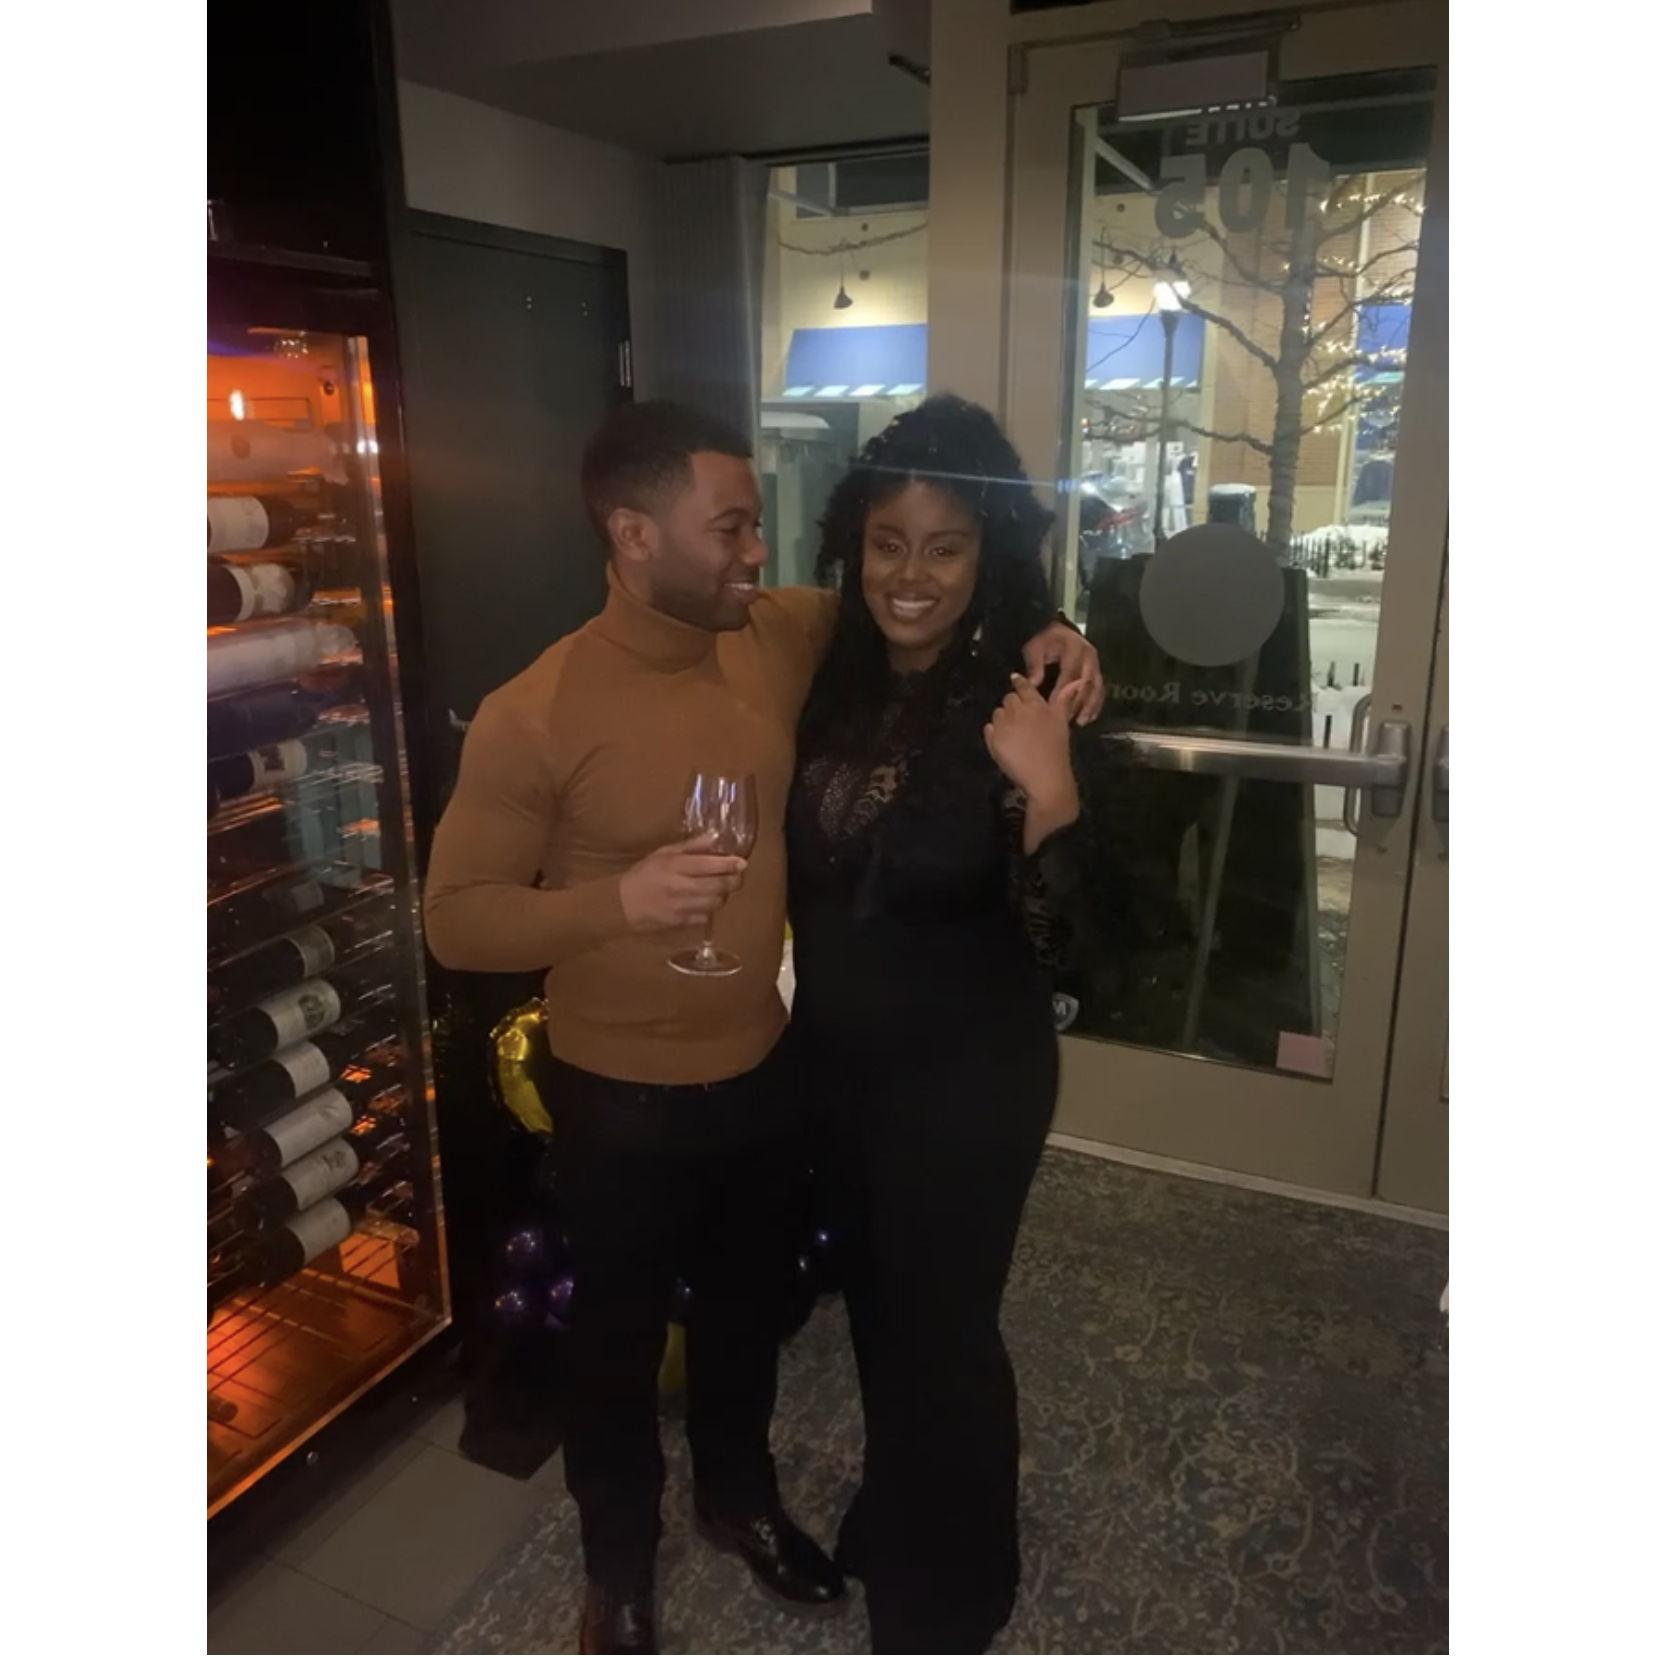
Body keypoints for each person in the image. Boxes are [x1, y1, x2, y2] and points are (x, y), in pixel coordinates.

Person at [421, 400, 1103, 1655]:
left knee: (749, 1319)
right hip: (619, 1090)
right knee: (617, 1346)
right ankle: (619, 1572)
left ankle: (738, 1500)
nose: (757, 551)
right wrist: (614, 904)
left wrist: (1058, 632)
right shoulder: (537, 708)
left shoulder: (777, 635)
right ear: (634, 534)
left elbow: (938, 584)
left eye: (756, 528)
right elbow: (455, 922)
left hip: (772, 1073)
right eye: (729, 527)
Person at [785, 395, 1085, 1653]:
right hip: (839, 1066)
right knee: (874, 1309)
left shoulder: (1033, 691)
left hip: (968, 1078)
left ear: (987, 554)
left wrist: (1052, 793)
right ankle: (900, 1500)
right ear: (854, 543)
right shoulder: (834, 670)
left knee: (945, 1329)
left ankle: (956, 1584)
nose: (911, 575)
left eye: (946, 547)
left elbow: (1080, 943)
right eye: (889, 542)